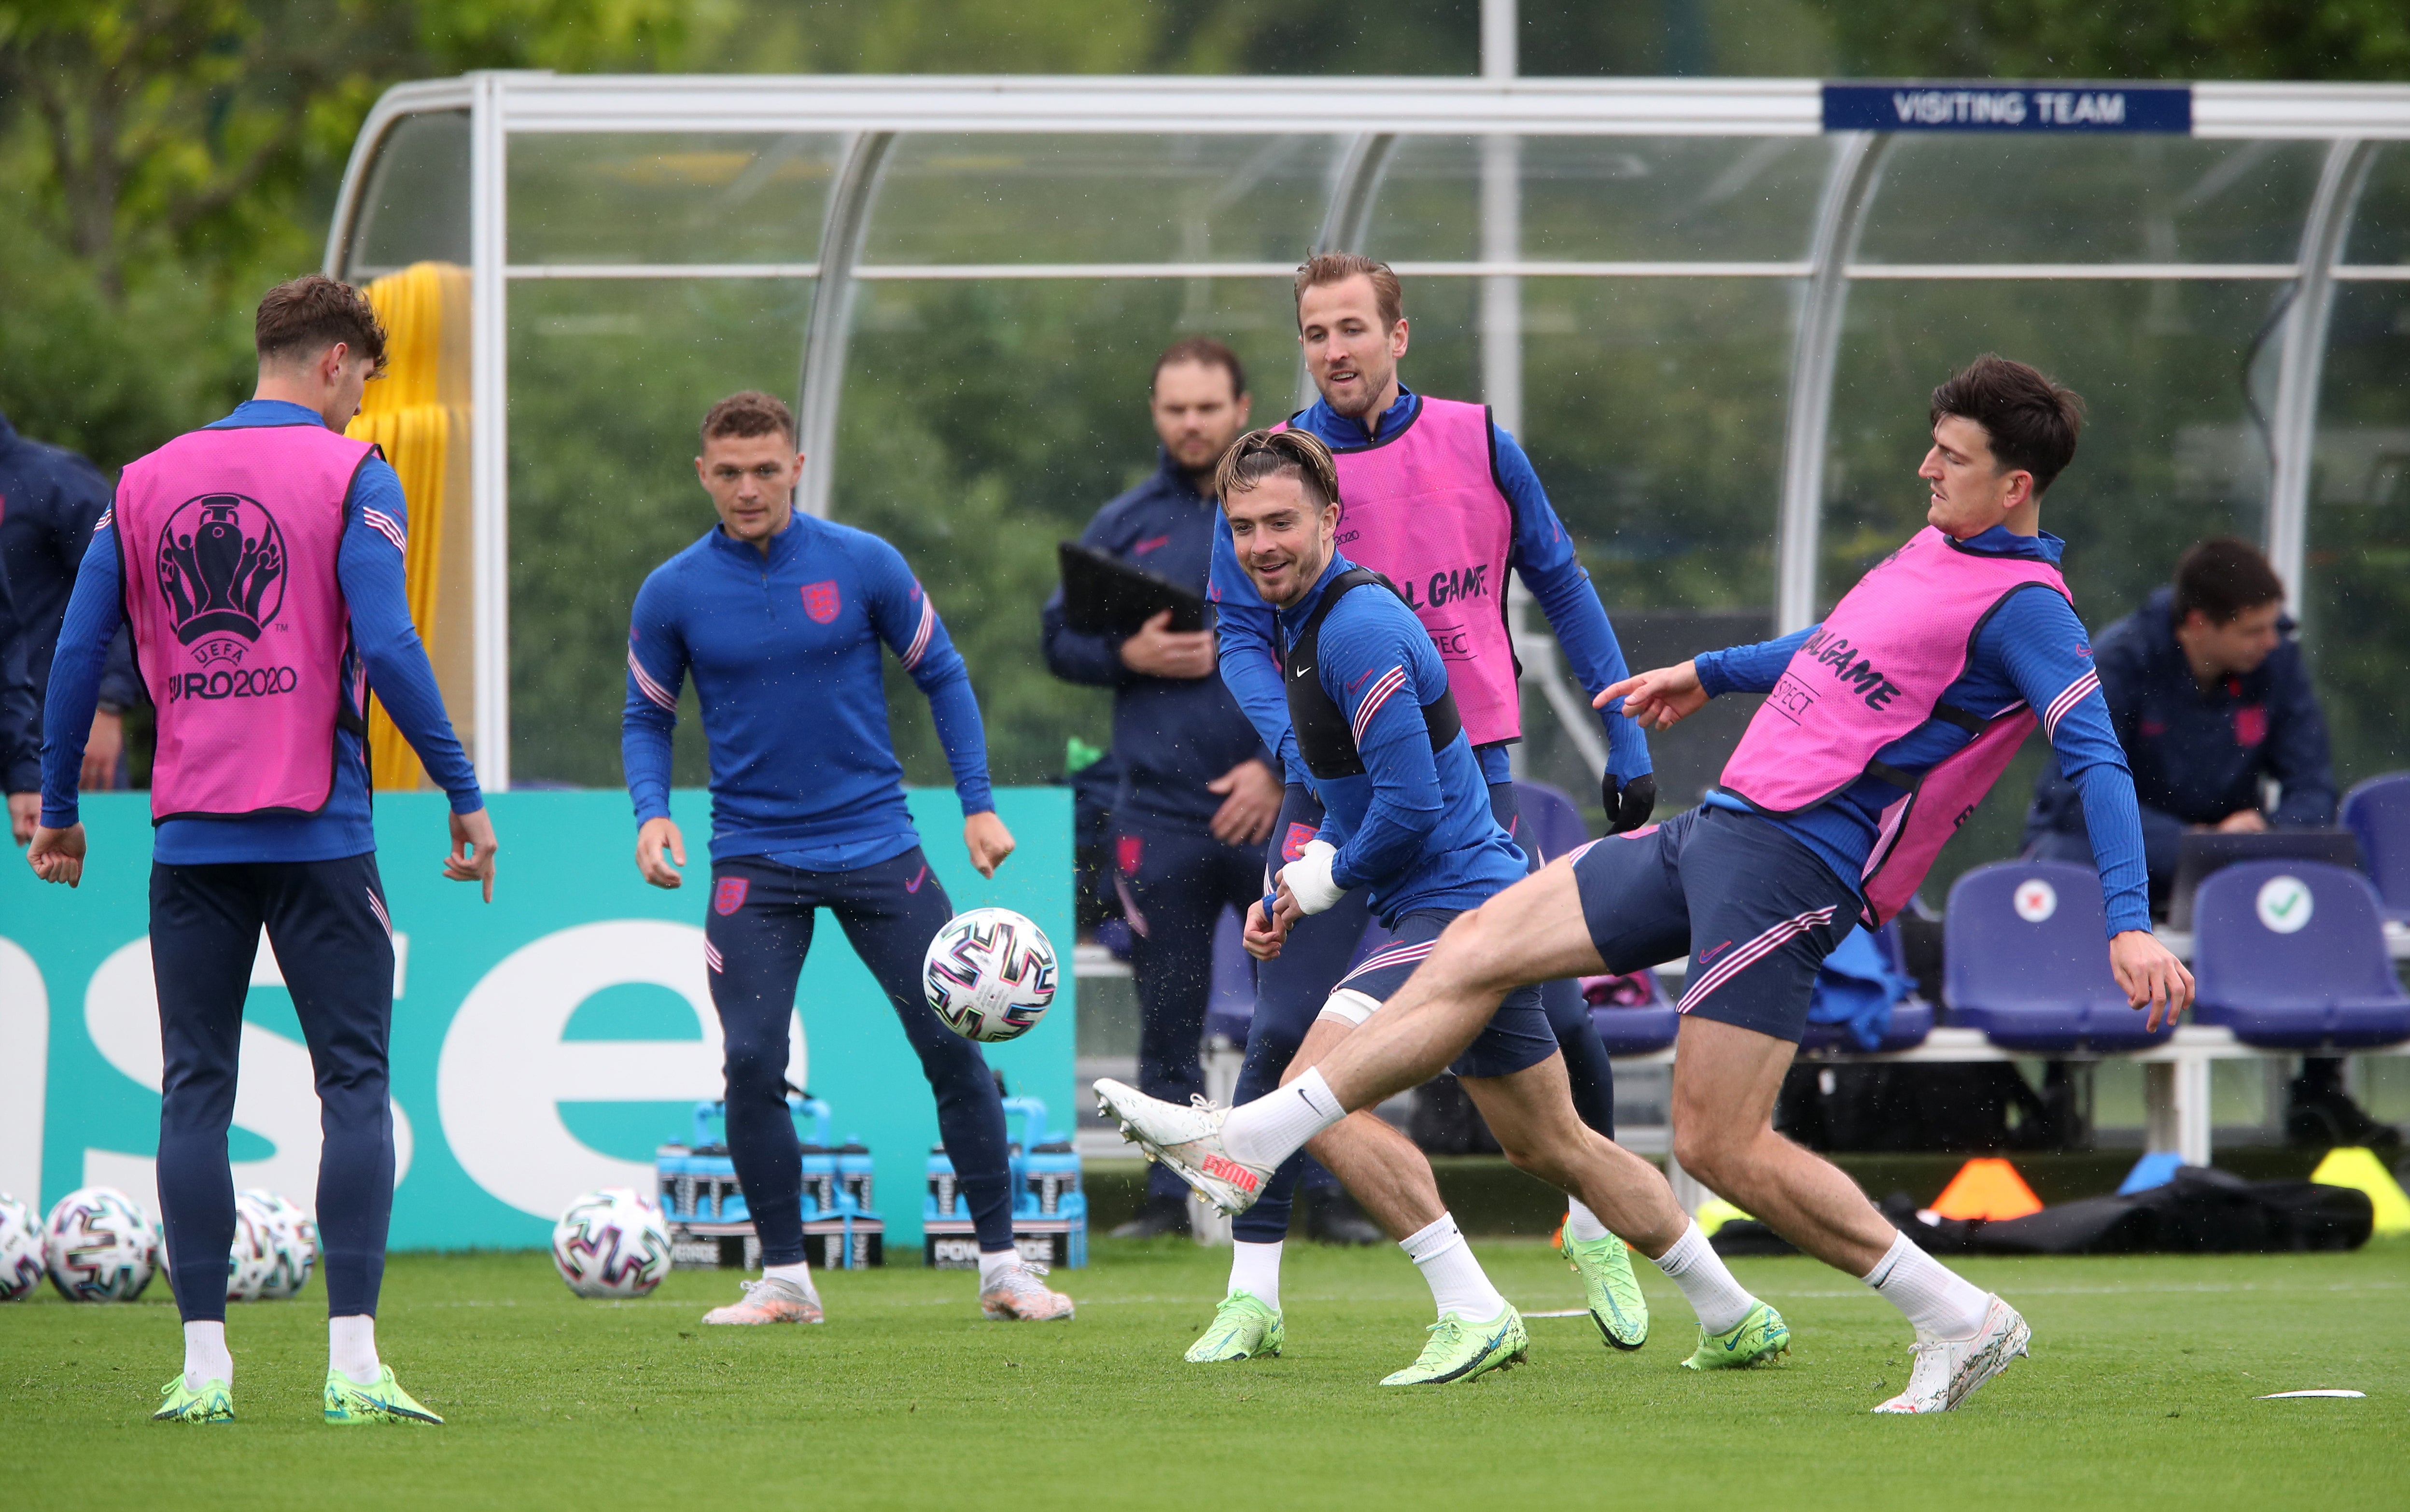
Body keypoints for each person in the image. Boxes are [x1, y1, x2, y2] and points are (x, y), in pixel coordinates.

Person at [1107, 357, 2198, 1414]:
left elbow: (2095, 757)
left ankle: (1955, 1312)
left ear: (2014, 486)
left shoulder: (2030, 608)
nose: (1925, 467)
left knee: (1717, 1144)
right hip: (1720, 826)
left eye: (1951, 457)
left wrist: (2129, 921)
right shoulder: (1934, 549)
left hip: (1796, 870)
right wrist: (1706, 672)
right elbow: (1836, 645)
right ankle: (1257, 1137)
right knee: (1478, 943)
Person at [1098, 430, 1782, 1386]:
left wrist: (1324, 880)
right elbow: (1351, 795)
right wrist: (1287, 888)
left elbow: (1415, 806)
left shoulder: (1359, 626)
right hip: (1448, 907)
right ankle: (1734, 1311)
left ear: (1332, 518)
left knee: (1315, 1100)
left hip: (1461, 913)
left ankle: (1470, 1306)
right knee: (1552, 1143)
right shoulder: (1299, 624)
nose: (1262, 544)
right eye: (1245, 527)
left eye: (1282, 522)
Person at [26, 274, 498, 1426]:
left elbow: (76, 655)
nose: (358, 406)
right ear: (337, 361)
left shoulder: (143, 483)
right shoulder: (352, 472)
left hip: (190, 835)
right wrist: (462, 792)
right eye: (361, 385)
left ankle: (205, 1372)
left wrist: (59, 809)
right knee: (353, 1085)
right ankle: (352, 1365)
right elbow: (387, 641)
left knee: (196, 1087)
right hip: (322, 829)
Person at [1198, 254, 1657, 1347]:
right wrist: (1296, 745)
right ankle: (1250, 1294)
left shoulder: (1479, 441)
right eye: (1315, 332)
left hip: (1465, 781)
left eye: (1353, 327)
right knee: (1279, 1029)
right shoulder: (1270, 475)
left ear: (1400, 335)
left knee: (1559, 1022)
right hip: (1330, 795)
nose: (1334, 350)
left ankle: (1593, 1225)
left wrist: (1624, 728)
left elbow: (1559, 581)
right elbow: (1236, 634)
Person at [623, 390, 1073, 1327]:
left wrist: (979, 808)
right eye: (729, 472)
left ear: (795, 466)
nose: (748, 489)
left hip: (880, 849)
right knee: (750, 1061)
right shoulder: (672, 592)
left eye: (765, 469)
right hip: (754, 861)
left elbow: (942, 672)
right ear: (703, 475)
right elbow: (648, 716)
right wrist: (651, 813)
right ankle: (786, 1280)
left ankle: (1003, 1269)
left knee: (953, 1048)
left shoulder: (862, 563)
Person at [1043, 339, 1373, 1242]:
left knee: (1303, 1011)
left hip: (1284, 810)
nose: (1190, 425)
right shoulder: (1124, 522)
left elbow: (1335, 643)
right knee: (1169, 1013)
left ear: (1242, 408)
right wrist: (1125, 653)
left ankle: (1326, 1197)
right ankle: (1162, 1205)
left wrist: (1278, 773)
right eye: (1174, 409)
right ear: (1156, 412)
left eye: (1207, 408)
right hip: (1158, 815)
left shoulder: (1284, 513)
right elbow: (1055, 641)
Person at [2023, 538, 2382, 1148]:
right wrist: (2194, 840)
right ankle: (2059, 1089)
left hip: (2236, 858)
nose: (2270, 642)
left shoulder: (2279, 661)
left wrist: (2267, 837)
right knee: (2064, 864)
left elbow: (2313, 785)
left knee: (2339, 873)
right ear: (2197, 625)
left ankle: (2321, 1090)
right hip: (2131, 852)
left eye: (2273, 628)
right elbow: (2074, 796)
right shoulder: (2118, 661)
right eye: (2253, 632)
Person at [0, 408, 143, 816]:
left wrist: (108, 704)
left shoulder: (54, 479)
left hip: (61, 740)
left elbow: (125, 589)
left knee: (88, 874)